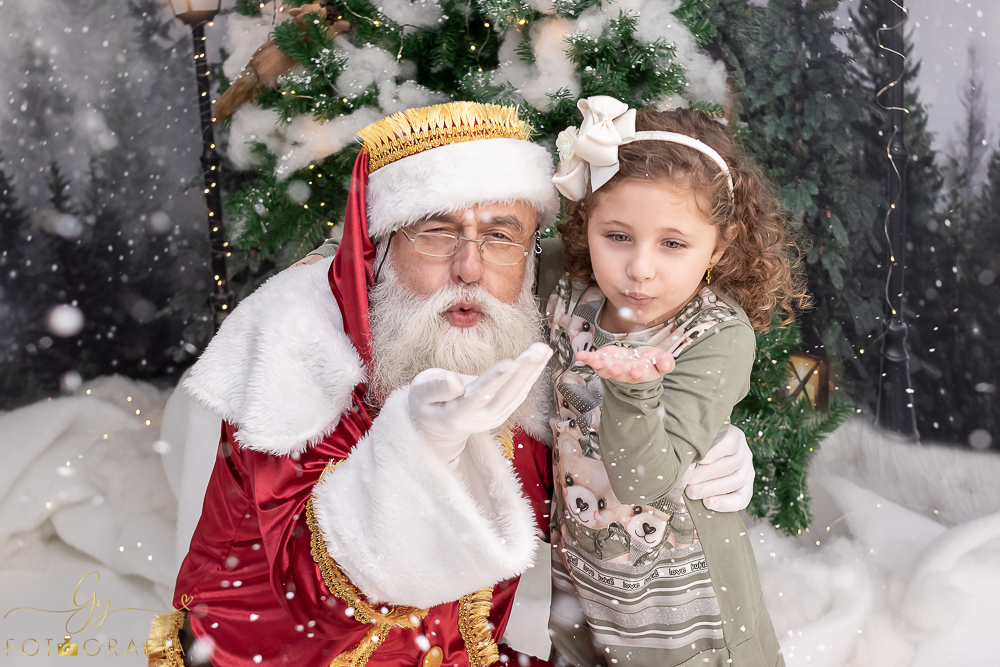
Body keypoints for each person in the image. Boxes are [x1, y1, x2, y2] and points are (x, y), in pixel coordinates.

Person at [148, 101, 756, 667]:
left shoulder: (527, 329)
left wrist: (685, 438)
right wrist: (421, 450)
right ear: (378, 244)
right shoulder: (301, 351)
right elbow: (319, 601)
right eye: (435, 232)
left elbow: (579, 490)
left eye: (499, 236)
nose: (469, 267)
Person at [542, 97, 807, 667]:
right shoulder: (570, 294)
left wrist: (634, 390)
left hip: (684, 607)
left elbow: (646, 479)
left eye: (673, 243)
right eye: (617, 235)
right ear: (584, 224)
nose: (640, 268)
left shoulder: (716, 335)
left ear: (722, 243)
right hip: (582, 584)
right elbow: (490, 244)